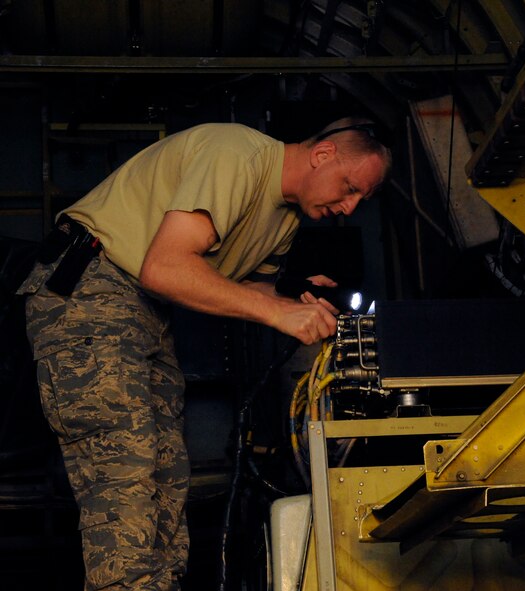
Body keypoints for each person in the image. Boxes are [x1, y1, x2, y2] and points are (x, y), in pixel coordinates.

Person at [17, 117, 392, 591]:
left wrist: (291, 300)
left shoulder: (285, 221)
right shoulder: (238, 155)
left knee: (167, 480)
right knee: (124, 482)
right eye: (349, 187)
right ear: (323, 154)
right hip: (93, 292)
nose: (350, 206)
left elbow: (246, 288)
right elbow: (166, 267)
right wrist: (275, 314)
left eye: (362, 199)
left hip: (146, 315)